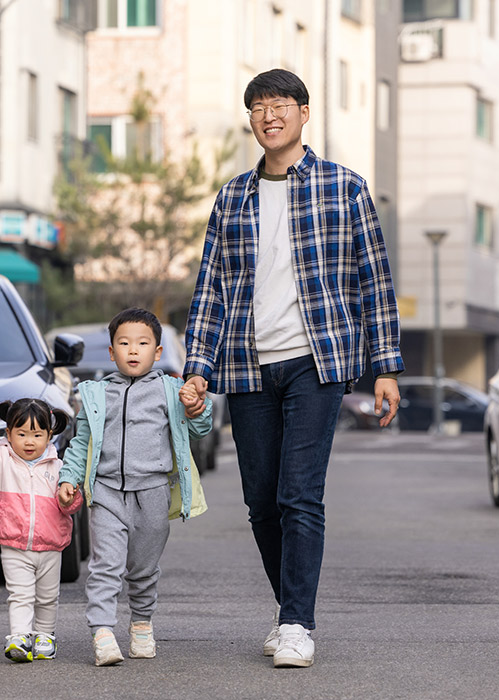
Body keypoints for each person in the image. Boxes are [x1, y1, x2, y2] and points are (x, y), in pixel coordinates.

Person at [181, 69, 405, 669]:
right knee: (260, 501)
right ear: (250, 119)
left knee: (299, 493)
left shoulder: (345, 188)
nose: (268, 116)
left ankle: (298, 624)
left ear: (304, 113)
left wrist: (385, 366)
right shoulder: (233, 196)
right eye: (258, 107)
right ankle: (291, 611)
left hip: (318, 360)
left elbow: (373, 280)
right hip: (249, 364)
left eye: (280, 105)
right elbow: (212, 286)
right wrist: (197, 367)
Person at [58, 308, 212, 666]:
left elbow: (200, 429)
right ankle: (102, 632)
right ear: (111, 352)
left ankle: (141, 623)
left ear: (157, 352)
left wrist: (195, 410)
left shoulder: (171, 390)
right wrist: (69, 477)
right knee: (104, 565)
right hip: (107, 492)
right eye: (124, 343)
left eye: (142, 343)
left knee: (143, 568)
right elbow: (81, 442)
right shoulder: (95, 394)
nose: (133, 350)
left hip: (153, 493)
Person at [0, 399, 82, 662]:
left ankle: (45, 635)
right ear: (8, 434)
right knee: (20, 594)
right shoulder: (0, 460)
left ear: (49, 435)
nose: (29, 442)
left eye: (37, 435)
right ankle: (20, 636)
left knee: (47, 596)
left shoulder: (59, 468)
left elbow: (71, 504)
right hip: (13, 543)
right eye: (21, 434)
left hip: (50, 544)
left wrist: (70, 498)